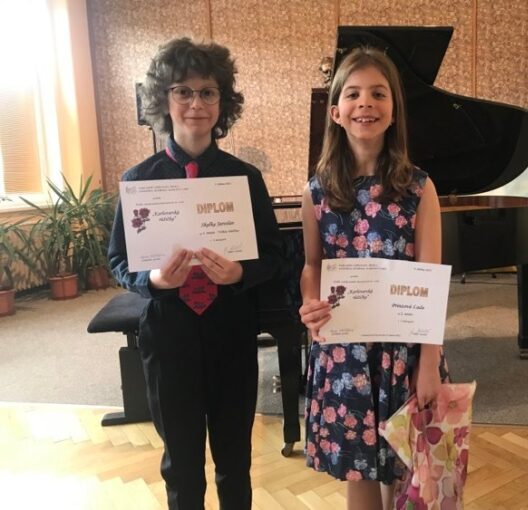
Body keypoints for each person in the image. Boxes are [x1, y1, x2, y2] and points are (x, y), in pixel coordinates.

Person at [108, 38, 283, 510]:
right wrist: (154, 282)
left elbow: (274, 254)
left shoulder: (245, 178)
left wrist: (240, 273)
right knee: (181, 466)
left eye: (208, 92)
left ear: (222, 102)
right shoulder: (138, 181)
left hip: (231, 330)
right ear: (163, 99)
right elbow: (119, 261)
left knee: (235, 460)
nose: (196, 103)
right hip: (169, 336)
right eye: (183, 91)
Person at [298, 47, 448, 510]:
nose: (366, 102)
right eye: (353, 93)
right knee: (358, 471)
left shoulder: (419, 188)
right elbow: (313, 266)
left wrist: (429, 363)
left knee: (406, 473)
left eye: (378, 94)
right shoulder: (317, 190)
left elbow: (431, 280)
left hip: (403, 353)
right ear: (336, 112)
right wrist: (310, 303)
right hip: (344, 352)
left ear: (393, 110)